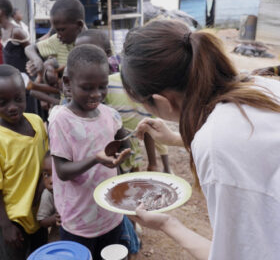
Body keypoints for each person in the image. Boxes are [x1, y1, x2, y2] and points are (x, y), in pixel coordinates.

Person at [120, 19, 280, 260]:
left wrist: (167, 224)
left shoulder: (217, 146)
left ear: (162, 101)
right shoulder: (260, 85)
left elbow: (233, 256)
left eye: (144, 106)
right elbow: (250, 150)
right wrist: (176, 139)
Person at [48, 44, 131, 260]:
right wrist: (96, 159)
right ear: (68, 83)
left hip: (111, 214)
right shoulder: (62, 121)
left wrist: (129, 142)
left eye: (102, 87)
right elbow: (63, 171)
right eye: (87, 88)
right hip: (79, 221)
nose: (96, 94)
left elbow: (122, 141)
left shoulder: (109, 114)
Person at [75, 30, 171, 173]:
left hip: (128, 151)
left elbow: (148, 126)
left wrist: (153, 163)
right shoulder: (96, 89)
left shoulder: (138, 87)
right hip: (106, 155)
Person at [0, 64, 48, 260]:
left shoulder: (36, 122)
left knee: (40, 254)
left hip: (39, 214)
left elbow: (45, 160)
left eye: (18, 99)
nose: (12, 107)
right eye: (2, 102)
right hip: (13, 220)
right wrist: (5, 226)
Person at [25, 0, 85, 77]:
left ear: (79, 25)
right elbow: (29, 48)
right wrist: (37, 60)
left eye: (62, 30)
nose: (58, 35)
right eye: (56, 30)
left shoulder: (93, 42)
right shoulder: (57, 41)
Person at [37, 151, 61, 242]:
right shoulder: (48, 194)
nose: (51, 181)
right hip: (57, 240)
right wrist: (55, 218)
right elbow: (41, 221)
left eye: (56, 174)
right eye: (46, 175)